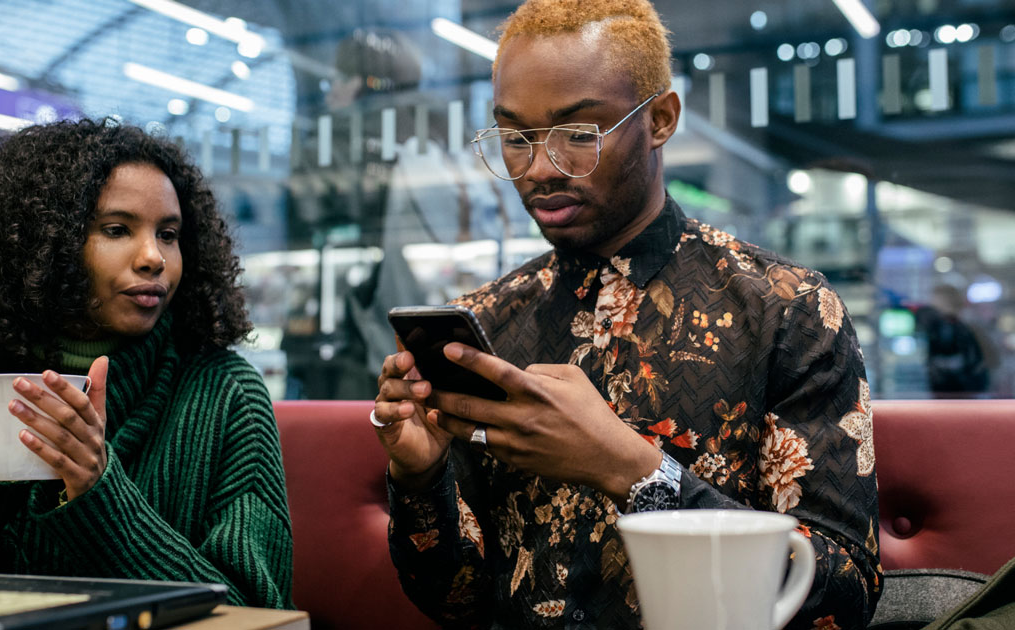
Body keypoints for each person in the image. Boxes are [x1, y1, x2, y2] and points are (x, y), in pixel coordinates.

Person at [372, 1, 882, 628]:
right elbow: (454, 601)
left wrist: (632, 470)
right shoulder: (487, 324)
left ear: (661, 119)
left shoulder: (787, 311)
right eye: (515, 138)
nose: (537, 170)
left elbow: (844, 597)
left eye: (578, 136)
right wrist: (418, 477)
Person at [0, 119, 293, 609]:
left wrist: (98, 494)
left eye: (169, 234)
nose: (153, 258)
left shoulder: (226, 391)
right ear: (41, 243)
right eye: (117, 230)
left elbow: (255, 610)